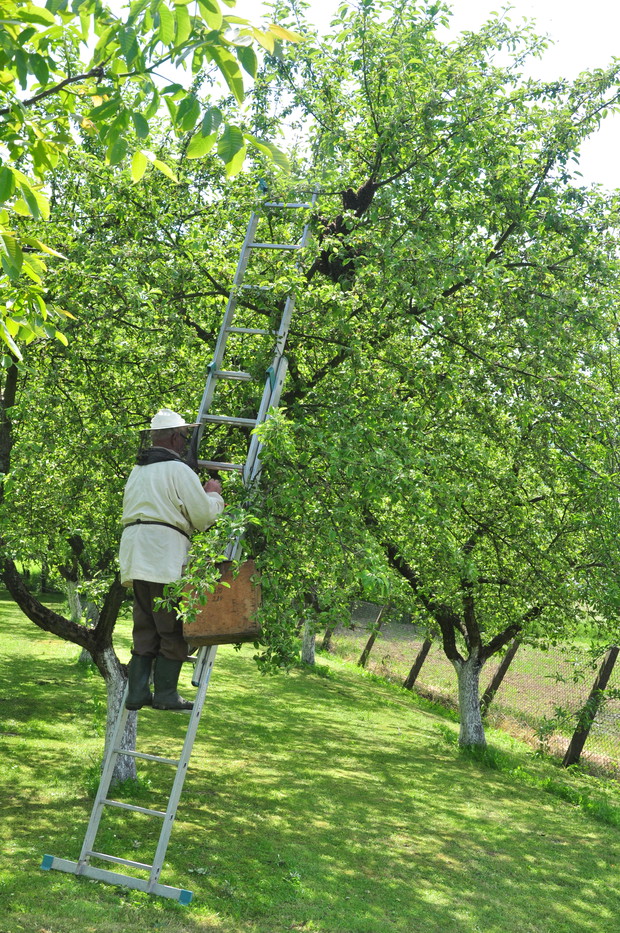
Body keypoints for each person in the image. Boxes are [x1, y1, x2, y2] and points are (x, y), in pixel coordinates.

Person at [119, 408, 225, 711]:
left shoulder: (138, 470)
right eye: (184, 437)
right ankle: (165, 694)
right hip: (162, 554)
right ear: (177, 437)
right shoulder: (179, 471)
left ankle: (137, 693)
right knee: (172, 627)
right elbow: (203, 517)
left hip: (135, 554)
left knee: (145, 626)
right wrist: (213, 494)